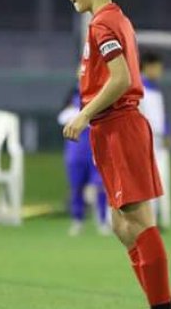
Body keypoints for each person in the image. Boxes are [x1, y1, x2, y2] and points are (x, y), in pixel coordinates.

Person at [60, 0, 171, 309]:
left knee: (138, 222)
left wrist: (83, 114)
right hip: (110, 130)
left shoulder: (103, 23)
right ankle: (158, 302)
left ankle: (163, 306)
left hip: (120, 127)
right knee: (121, 225)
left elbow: (121, 78)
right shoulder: (111, 19)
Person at [57, 84, 109, 236]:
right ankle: (77, 220)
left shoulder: (102, 92)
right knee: (77, 187)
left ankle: (102, 220)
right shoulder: (72, 95)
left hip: (97, 151)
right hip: (76, 152)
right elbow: (63, 117)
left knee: (101, 186)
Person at [139, 52, 171, 230]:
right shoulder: (138, 87)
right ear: (148, 67)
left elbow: (162, 114)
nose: (160, 71)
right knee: (145, 182)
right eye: (158, 67)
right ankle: (147, 220)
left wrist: (167, 132)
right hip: (144, 140)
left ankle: (157, 219)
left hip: (158, 141)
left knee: (160, 181)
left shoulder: (157, 88)